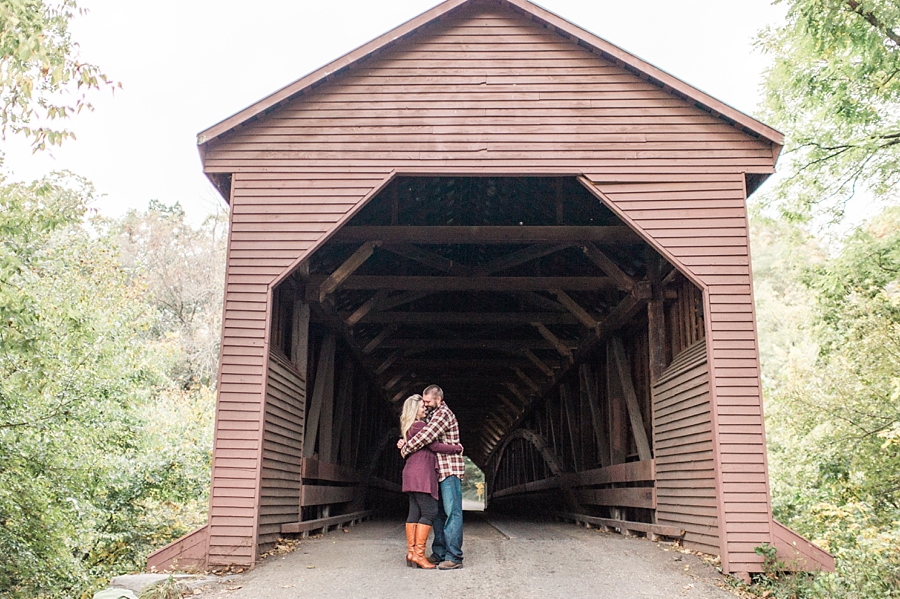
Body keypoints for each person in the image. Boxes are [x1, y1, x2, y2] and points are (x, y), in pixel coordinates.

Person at [399, 385, 465, 570]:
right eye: (423, 403)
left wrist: (405, 447)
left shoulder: (442, 414)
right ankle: (439, 553)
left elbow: (425, 438)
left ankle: (454, 557)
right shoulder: (428, 416)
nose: (425, 405)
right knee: (437, 513)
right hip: (436, 472)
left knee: (452, 512)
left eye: (428, 402)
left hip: (449, 470)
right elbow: (419, 435)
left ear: (439, 399)